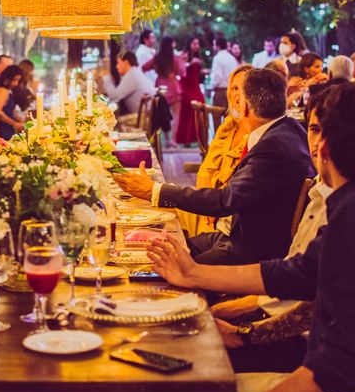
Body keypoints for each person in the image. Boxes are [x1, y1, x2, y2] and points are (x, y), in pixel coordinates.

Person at [147, 84, 355, 392]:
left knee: (179, 367)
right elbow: (301, 276)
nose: (311, 141)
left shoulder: (348, 215)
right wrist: (244, 333)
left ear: (323, 144)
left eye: (314, 129)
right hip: (305, 358)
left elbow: (336, 365)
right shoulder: (340, 203)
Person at [114, 68, 315, 266]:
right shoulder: (291, 129)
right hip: (229, 233)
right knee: (152, 248)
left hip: (248, 250)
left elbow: (225, 201)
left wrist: (154, 190)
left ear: (245, 107)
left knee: (166, 268)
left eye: (240, 96)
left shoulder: (272, 147)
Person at [211, 91, 332, 375]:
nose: (320, 144)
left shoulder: (343, 209)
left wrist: (245, 334)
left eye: (334, 133)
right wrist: (242, 324)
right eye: (314, 129)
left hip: (308, 356)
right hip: (286, 325)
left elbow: (307, 300)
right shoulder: (321, 191)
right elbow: (296, 278)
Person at [176, 65, 253, 237]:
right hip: (207, 206)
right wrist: (204, 204)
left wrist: (212, 206)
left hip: (226, 218)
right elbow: (205, 170)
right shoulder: (227, 128)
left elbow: (237, 193)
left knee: (165, 207)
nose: (237, 93)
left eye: (243, 87)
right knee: (160, 205)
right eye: (234, 88)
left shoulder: (258, 136)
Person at [143, 36, 186, 143]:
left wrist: (155, 70)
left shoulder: (157, 58)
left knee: (163, 114)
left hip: (161, 87)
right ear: (171, 45)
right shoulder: (175, 59)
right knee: (176, 116)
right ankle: (173, 140)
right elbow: (182, 72)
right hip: (173, 87)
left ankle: (166, 139)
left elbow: (144, 67)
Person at [175, 37, 206, 145]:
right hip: (186, 87)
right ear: (189, 44)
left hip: (195, 87)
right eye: (194, 43)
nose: (197, 46)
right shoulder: (184, 55)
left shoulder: (197, 57)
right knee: (188, 112)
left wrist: (203, 71)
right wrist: (191, 63)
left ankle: (201, 139)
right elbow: (180, 71)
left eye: (198, 44)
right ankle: (186, 140)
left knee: (201, 107)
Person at [102, 51, 155, 115]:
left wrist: (106, 77)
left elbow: (114, 97)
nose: (117, 66)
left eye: (118, 63)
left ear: (126, 63)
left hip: (141, 119)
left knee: (114, 122)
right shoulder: (134, 72)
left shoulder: (132, 75)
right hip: (145, 115)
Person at [0, 64, 25, 140]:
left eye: (18, 81)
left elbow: (10, 110)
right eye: (14, 80)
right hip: (4, 129)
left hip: (8, 127)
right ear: (7, 78)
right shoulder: (3, 91)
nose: (16, 84)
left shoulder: (8, 91)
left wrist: (21, 119)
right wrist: (15, 124)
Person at [210, 37, 239, 109]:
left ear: (218, 46)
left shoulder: (217, 58)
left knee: (217, 117)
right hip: (231, 91)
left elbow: (217, 76)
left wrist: (211, 86)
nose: (213, 47)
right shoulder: (232, 58)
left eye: (214, 45)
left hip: (221, 92)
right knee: (229, 117)